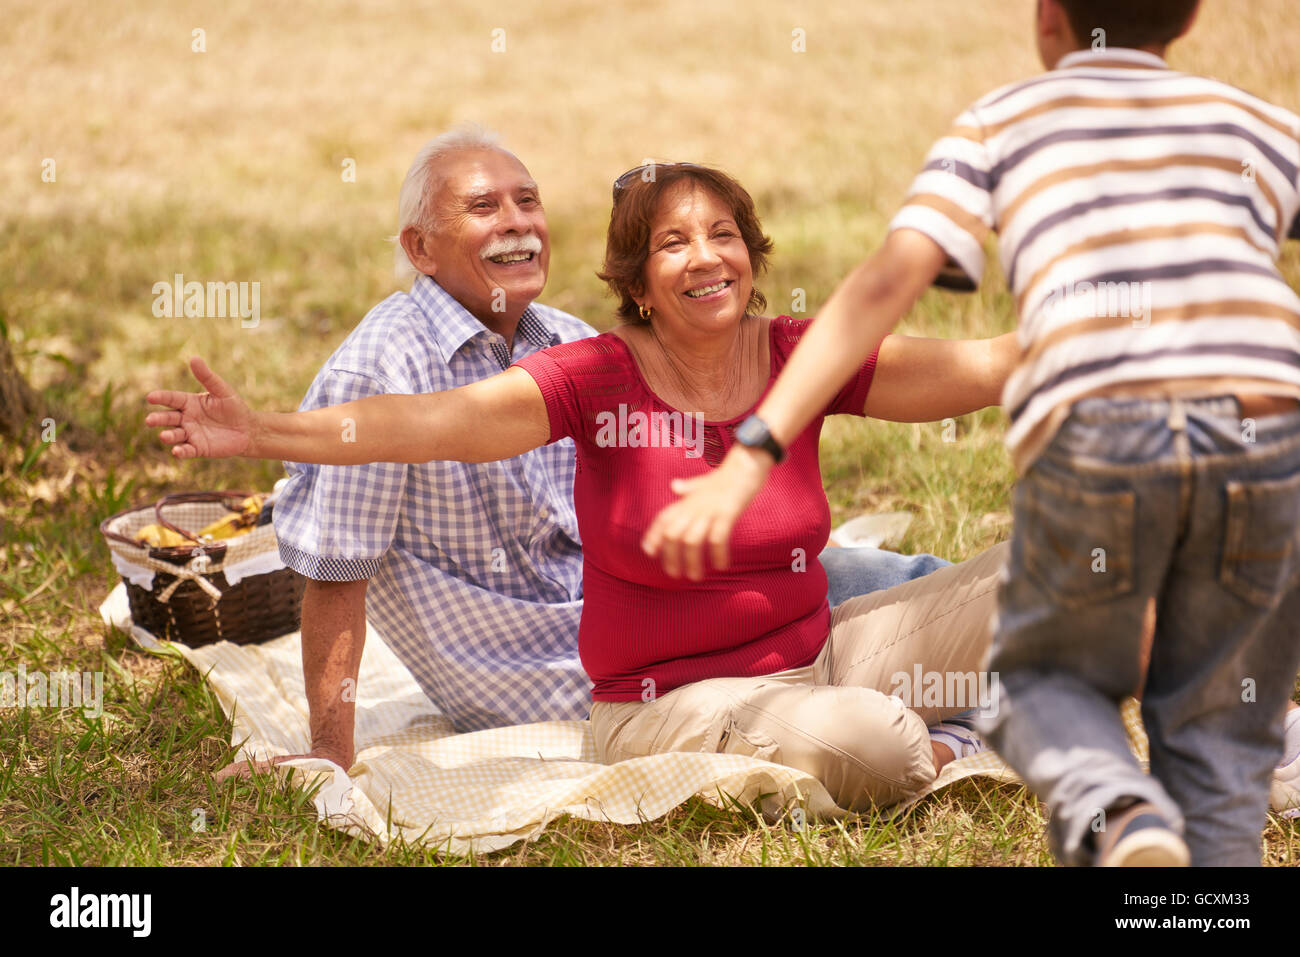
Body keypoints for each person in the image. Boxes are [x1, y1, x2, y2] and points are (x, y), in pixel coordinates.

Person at [146, 161, 1020, 810]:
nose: (706, 257)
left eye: (723, 235)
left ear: (752, 255)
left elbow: (978, 367)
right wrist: (260, 430)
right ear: (637, 281)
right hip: (667, 701)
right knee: (874, 741)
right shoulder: (593, 374)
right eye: (674, 243)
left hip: (819, 647)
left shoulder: (798, 354)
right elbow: (429, 421)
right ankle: (940, 738)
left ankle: (941, 706)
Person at [648, 0, 1300, 864]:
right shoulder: (1261, 124)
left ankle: (1124, 816)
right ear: (1187, 20)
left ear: (1048, 20)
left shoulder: (1007, 121)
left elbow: (884, 286)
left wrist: (755, 449)